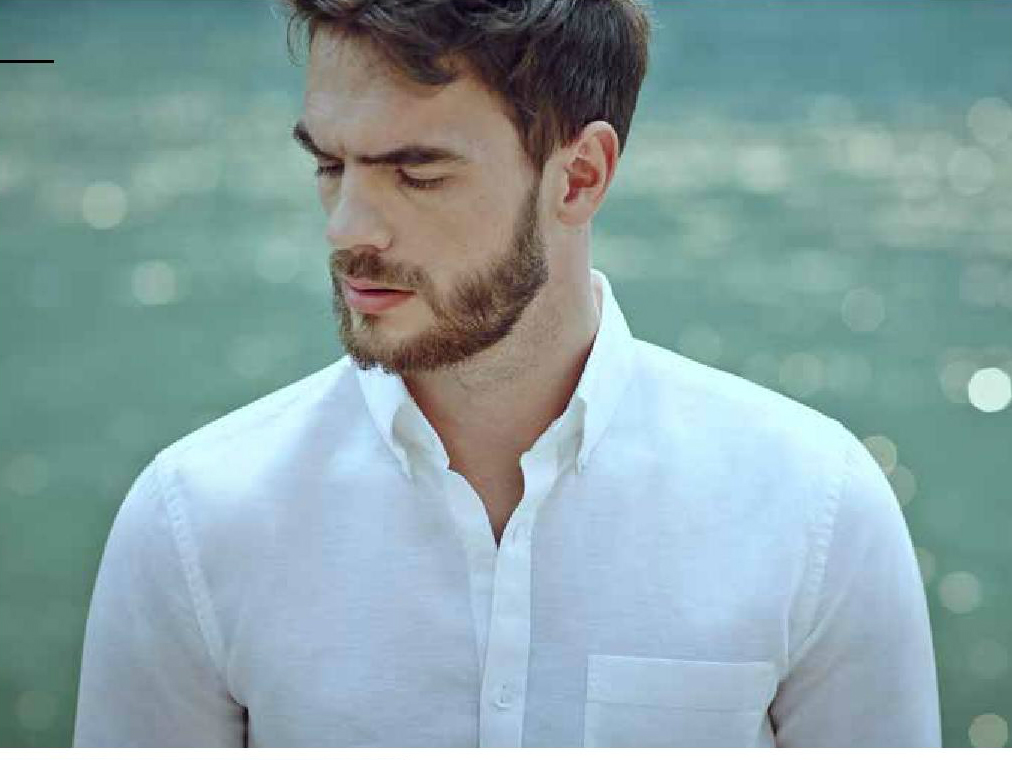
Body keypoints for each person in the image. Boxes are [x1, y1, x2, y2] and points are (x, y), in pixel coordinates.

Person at [73, 0, 941, 748]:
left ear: (580, 178)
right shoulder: (193, 524)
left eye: (416, 173)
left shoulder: (817, 512)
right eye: (330, 165)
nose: (346, 227)